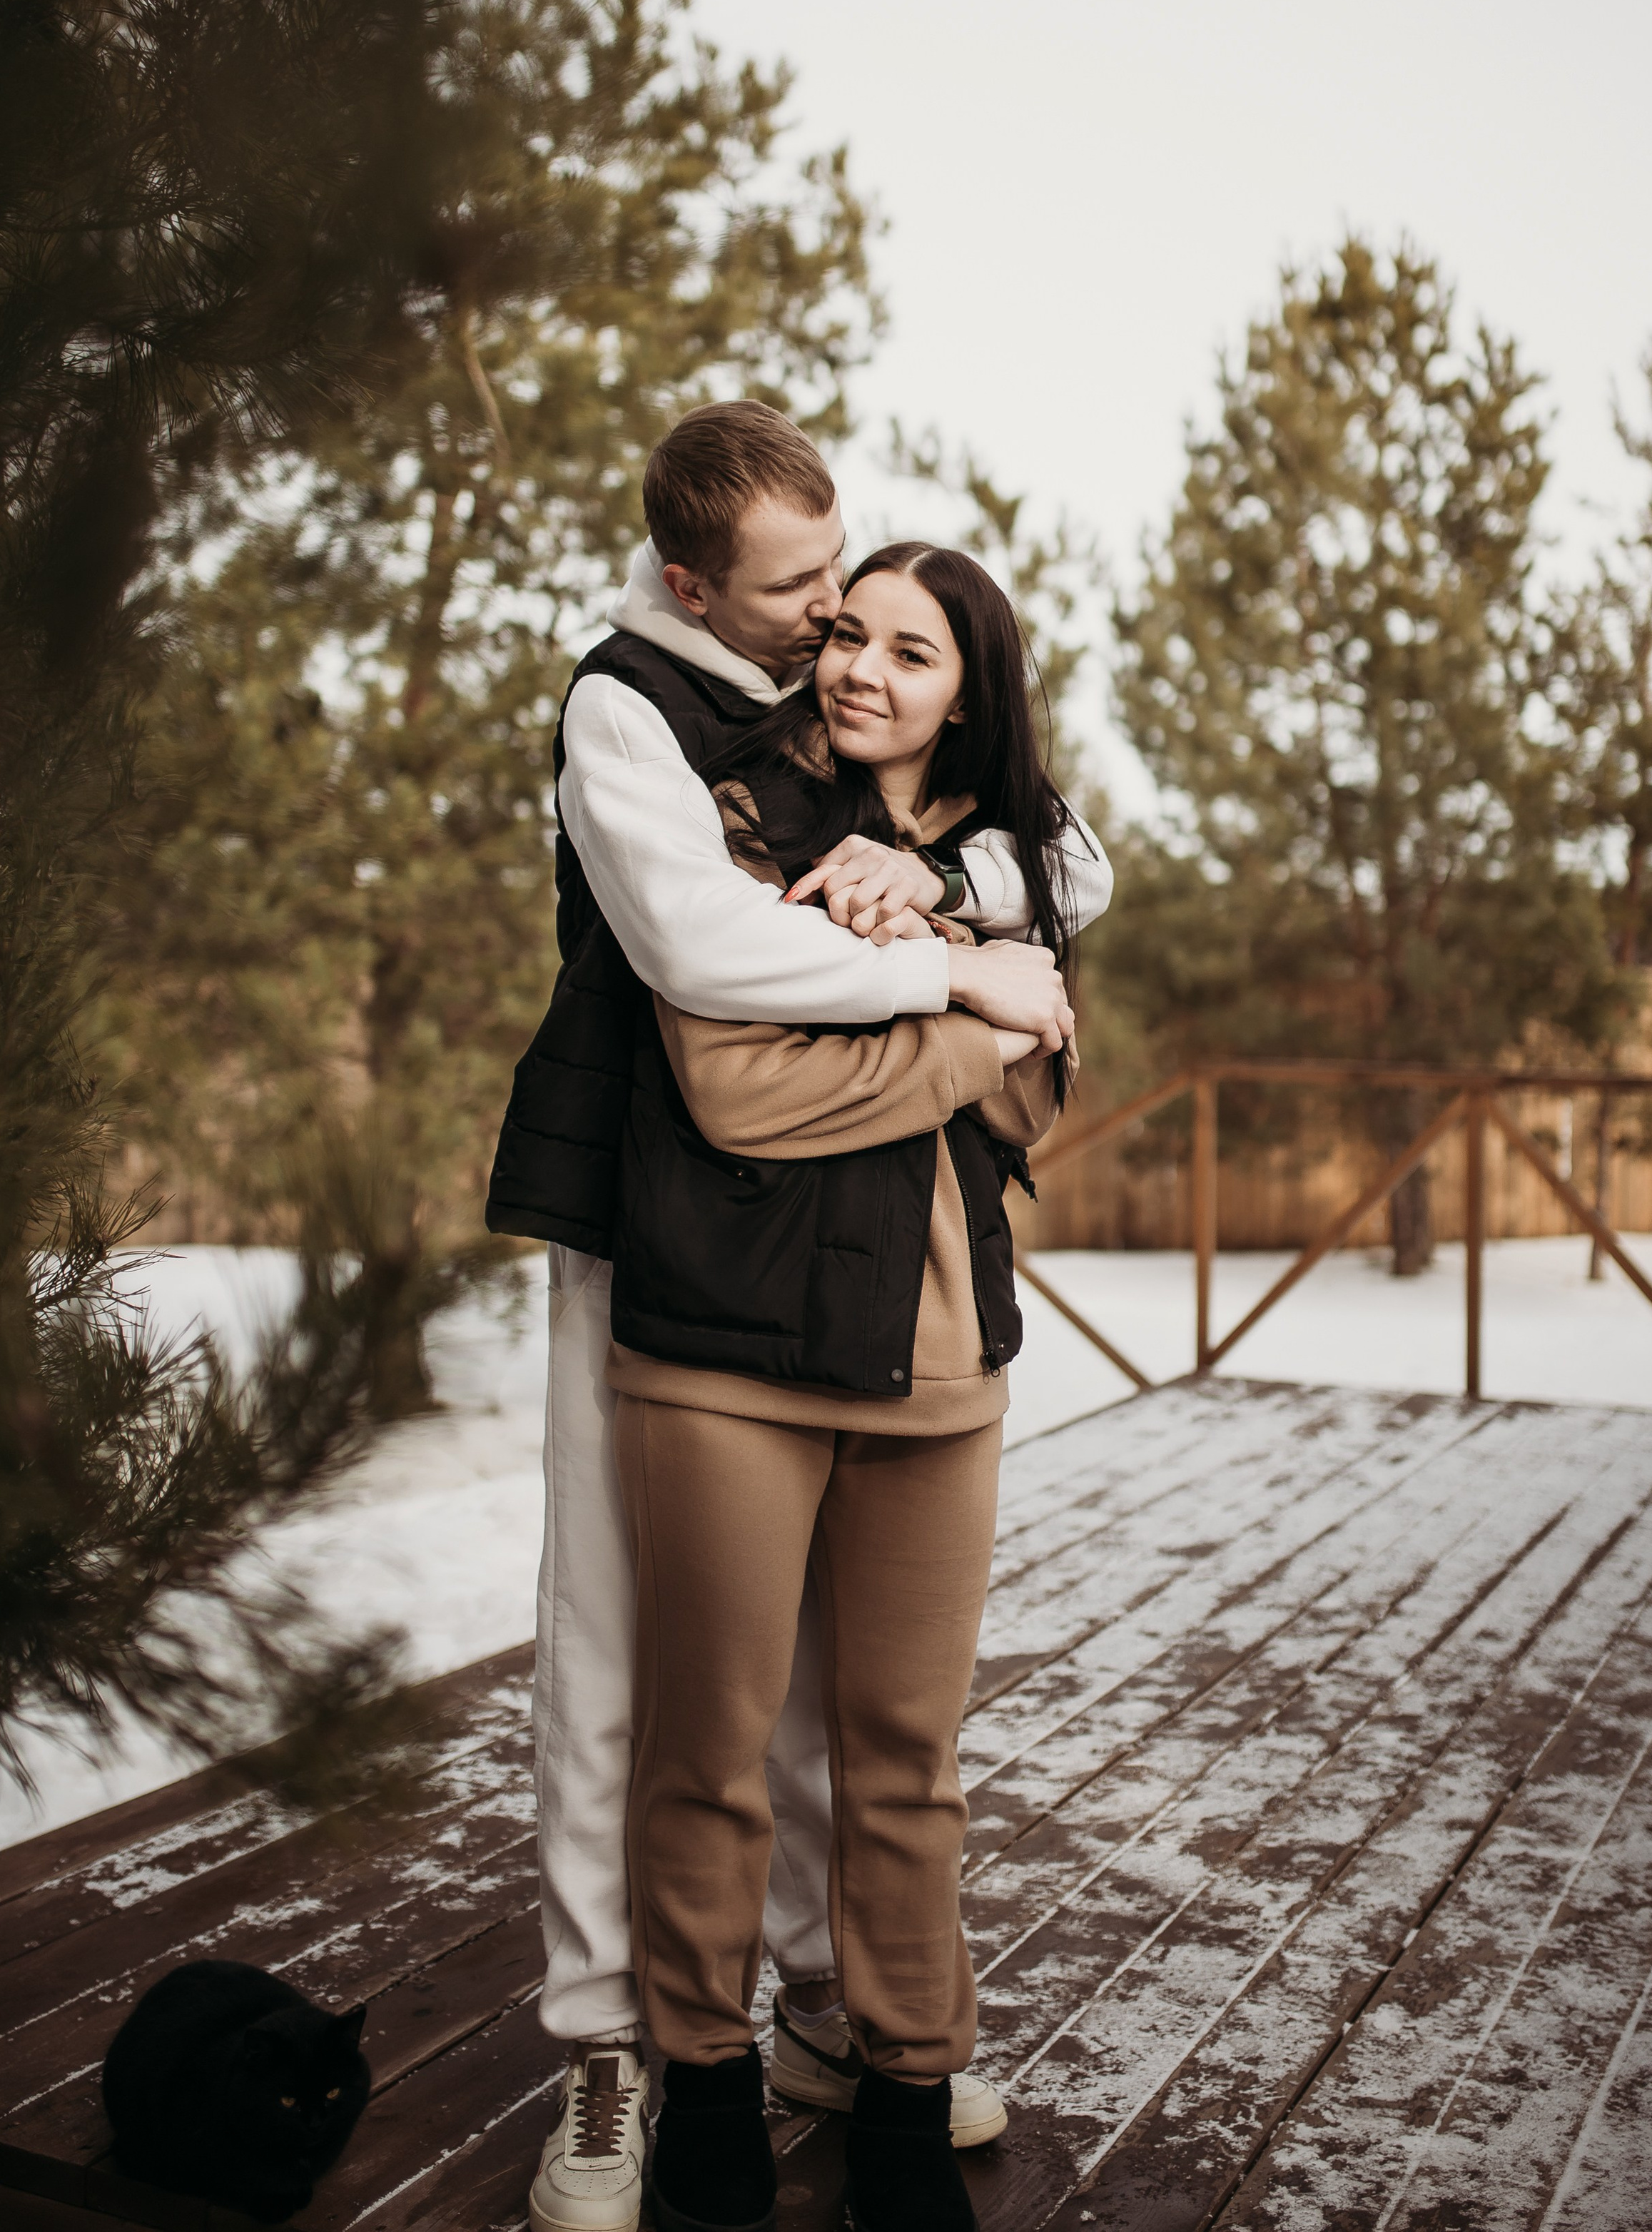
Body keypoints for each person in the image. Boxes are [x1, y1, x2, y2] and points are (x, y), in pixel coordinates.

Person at [486, 407, 1111, 2232]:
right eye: (806, 597)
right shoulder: (634, 707)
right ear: (695, 584)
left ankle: (838, 2014)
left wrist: (960, 887)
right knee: (629, 1661)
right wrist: (958, 986)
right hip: (643, 1221)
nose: (836, 622)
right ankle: (617, 2043)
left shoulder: (798, 702)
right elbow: (704, 961)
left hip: (860, 1278)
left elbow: (1055, 862)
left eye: (855, 593)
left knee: (848, 1714)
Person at [611, 542, 1075, 2232]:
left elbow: (1038, 1115)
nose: (865, 670)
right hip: (724, 1357)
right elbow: (738, 1091)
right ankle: (707, 2094)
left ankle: (901, 2087)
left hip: (938, 1360)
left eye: (914, 652)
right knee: (710, 1751)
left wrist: (957, 944)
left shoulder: (1009, 869)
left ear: (971, 691)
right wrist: (970, 1011)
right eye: (847, 634)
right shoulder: (731, 817)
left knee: (904, 1755)